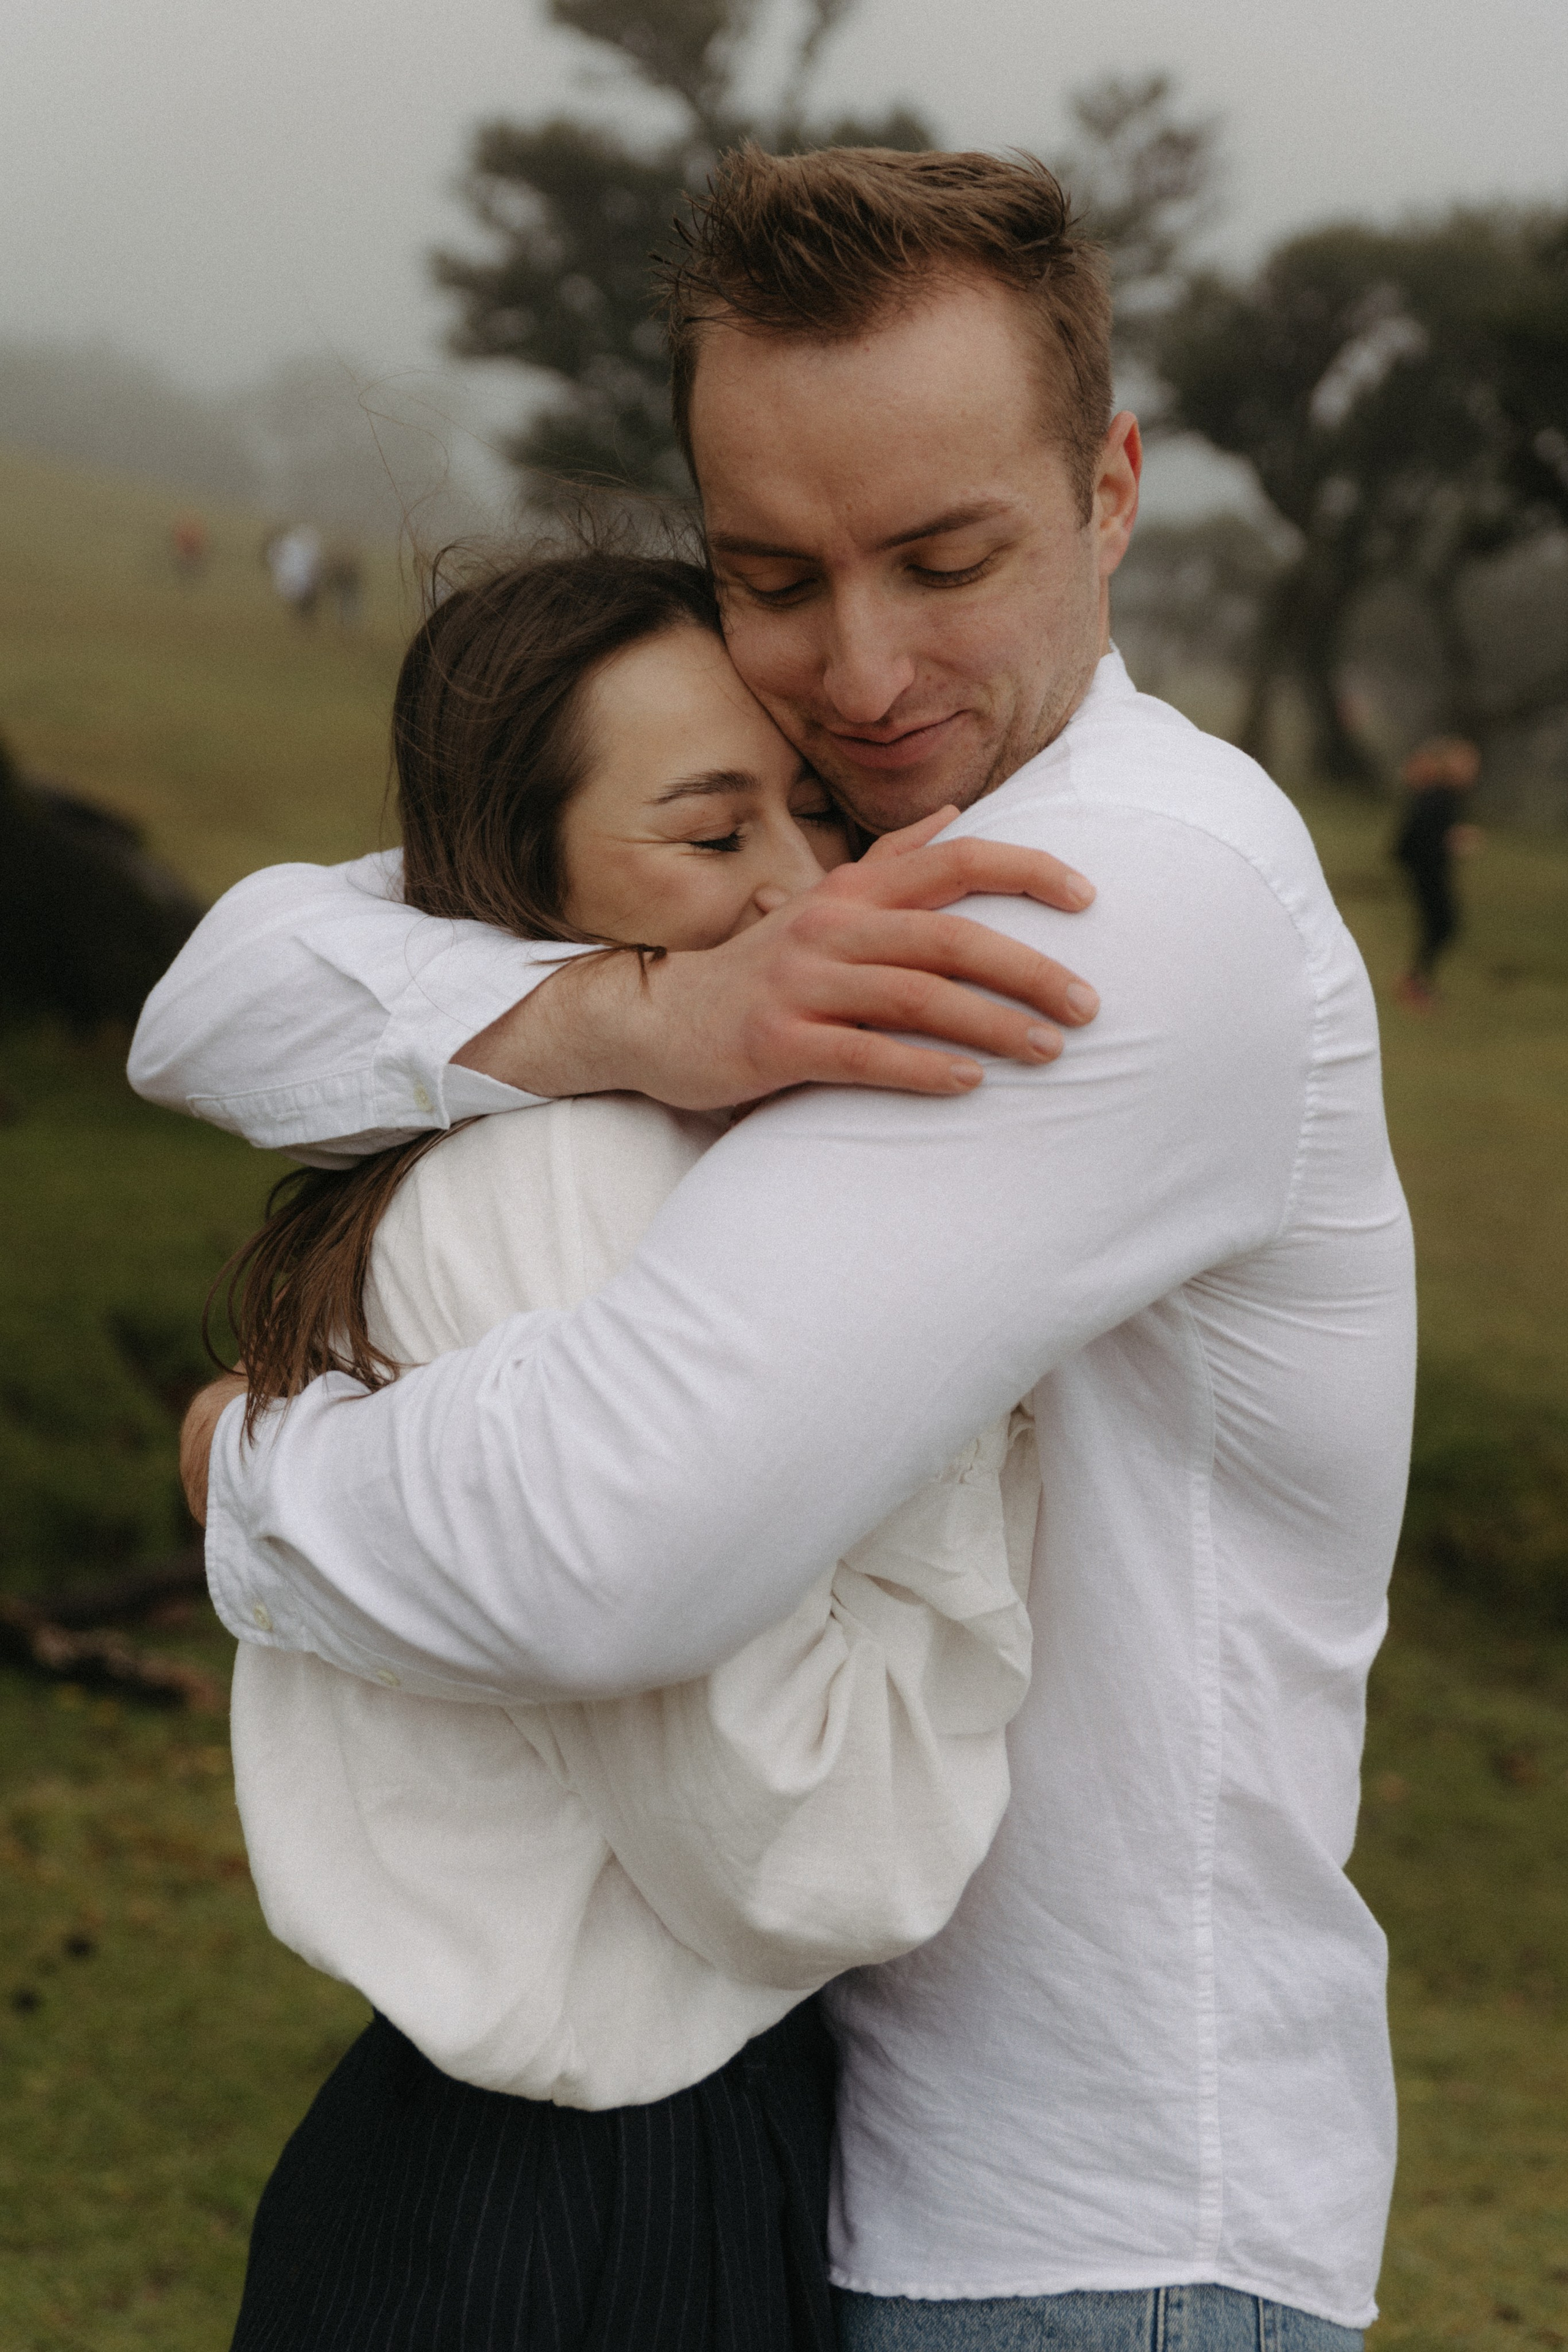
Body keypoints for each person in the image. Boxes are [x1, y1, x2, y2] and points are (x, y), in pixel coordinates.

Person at [145, 147, 1415, 2349]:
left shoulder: (1105, 903)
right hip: (839, 2160)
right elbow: (228, 991)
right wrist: (630, 1012)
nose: (860, 670)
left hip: (1084, 2227)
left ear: (1108, 492)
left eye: (943, 560)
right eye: (770, 574)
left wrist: (240, 1468)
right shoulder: (836, 852)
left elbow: (603, 1539)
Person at [217, 547, 1039, 2351]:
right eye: (711, 830)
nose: (803, 883)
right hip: (556, 2203)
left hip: (661, 2146)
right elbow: (801, 1847)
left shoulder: (673, 1150)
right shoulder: (561, 1178)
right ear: (524, 884)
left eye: (814, 808)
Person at [1392, 734, 1482, 1007]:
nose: (1470, 772)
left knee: (1442, 926)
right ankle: (1414, 983)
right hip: (1426, 871)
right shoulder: (1438, 796)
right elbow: (1416, 836)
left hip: (1429, 869)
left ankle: (1416, 980)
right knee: (1441, 925)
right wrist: (1451, 841)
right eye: (1465, 765)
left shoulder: (1444, 796)